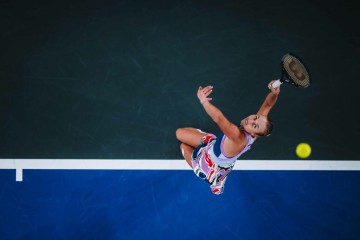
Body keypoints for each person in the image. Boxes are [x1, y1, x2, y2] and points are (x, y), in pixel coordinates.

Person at [175, 80, 280, 195]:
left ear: (255, 134)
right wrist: (274, 93)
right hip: (214, 146)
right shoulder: (257, 132)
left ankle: (217, 183)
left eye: (254, 125)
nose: (250, 120)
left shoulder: (236, 136)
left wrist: (204, 101)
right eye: (255, 117)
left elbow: (218, 118)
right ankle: (210, 144)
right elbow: (268, 105)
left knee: (183, 145)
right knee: (179, 133)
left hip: (211, 166)